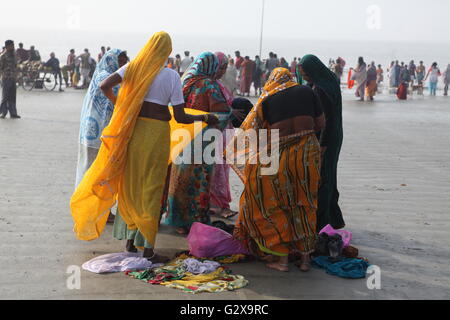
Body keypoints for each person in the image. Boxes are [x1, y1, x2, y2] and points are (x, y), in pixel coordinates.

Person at [71, 32, 219, 261]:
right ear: (167, 52)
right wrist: (205, 118)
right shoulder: (170, 75)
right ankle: (148, 250)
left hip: (135, 132)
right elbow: (180, 117)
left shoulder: (134, 68)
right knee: (151, 187)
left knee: (131, 184)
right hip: (156, 134)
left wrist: (122, 105)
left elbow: (103, 85)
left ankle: (130, 243)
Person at [227, 67, 325, 272]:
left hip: (278, 154)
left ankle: (281, 260)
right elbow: (320, 123)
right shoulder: (308, 92)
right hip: (308, 152)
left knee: (273, 201)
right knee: (305, 203)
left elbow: (256, 134)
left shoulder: (268, 99)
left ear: (272, 81)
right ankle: (305, 260)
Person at [164, 52, 232, 235]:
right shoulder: (208, 85)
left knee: (179, 180)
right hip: (202, 140)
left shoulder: (184, 82)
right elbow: (221, 113)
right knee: (199, 180)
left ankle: (177, 221)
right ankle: (196, 221)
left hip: (181, 137)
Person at [299, 54, 345, 230]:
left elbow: (326, 121)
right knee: (330, 176)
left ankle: (323, 221)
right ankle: (334, 219)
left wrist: (322, 147)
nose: (303, 76)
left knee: (323, 179)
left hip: (327, 138)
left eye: (304, 73)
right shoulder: (330, 80)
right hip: (336, 135)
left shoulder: (319, 89)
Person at [75, 49, 128, 187]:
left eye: (124, 61)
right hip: (94, 132)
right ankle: (87, 202)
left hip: (99, 130)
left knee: (97, 170)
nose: (122, 64)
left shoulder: (109, 76)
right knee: (91, 169)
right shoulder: (103, 75)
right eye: (119, 60)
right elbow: (116, 92)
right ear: (110, 60)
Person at [0, 40, 21, 119]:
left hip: (13, 78)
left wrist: (17, 76)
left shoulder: (14, 54)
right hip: (6, 78)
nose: (13, 46)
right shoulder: (3, 56)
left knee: (12, 96)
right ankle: (3, 113)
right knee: (5, 96)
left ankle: (13, 113)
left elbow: (16, 66)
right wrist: (3, 76)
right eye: (12, 45)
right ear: (7, 46)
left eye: (13, 45)